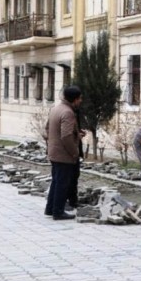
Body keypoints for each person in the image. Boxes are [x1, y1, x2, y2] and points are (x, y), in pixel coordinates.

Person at [44, 85, 84, 220]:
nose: (81, 101)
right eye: (80, 99)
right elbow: (66, 136)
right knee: (62, 184)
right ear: (75, 99)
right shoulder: (68, 112)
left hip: (54, 152)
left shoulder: (56, 108)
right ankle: (58, 211)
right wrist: (74, 152)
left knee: (56, 182)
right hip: (63, 155)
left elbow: (47, 129)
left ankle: (50, 208)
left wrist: (77, 134)